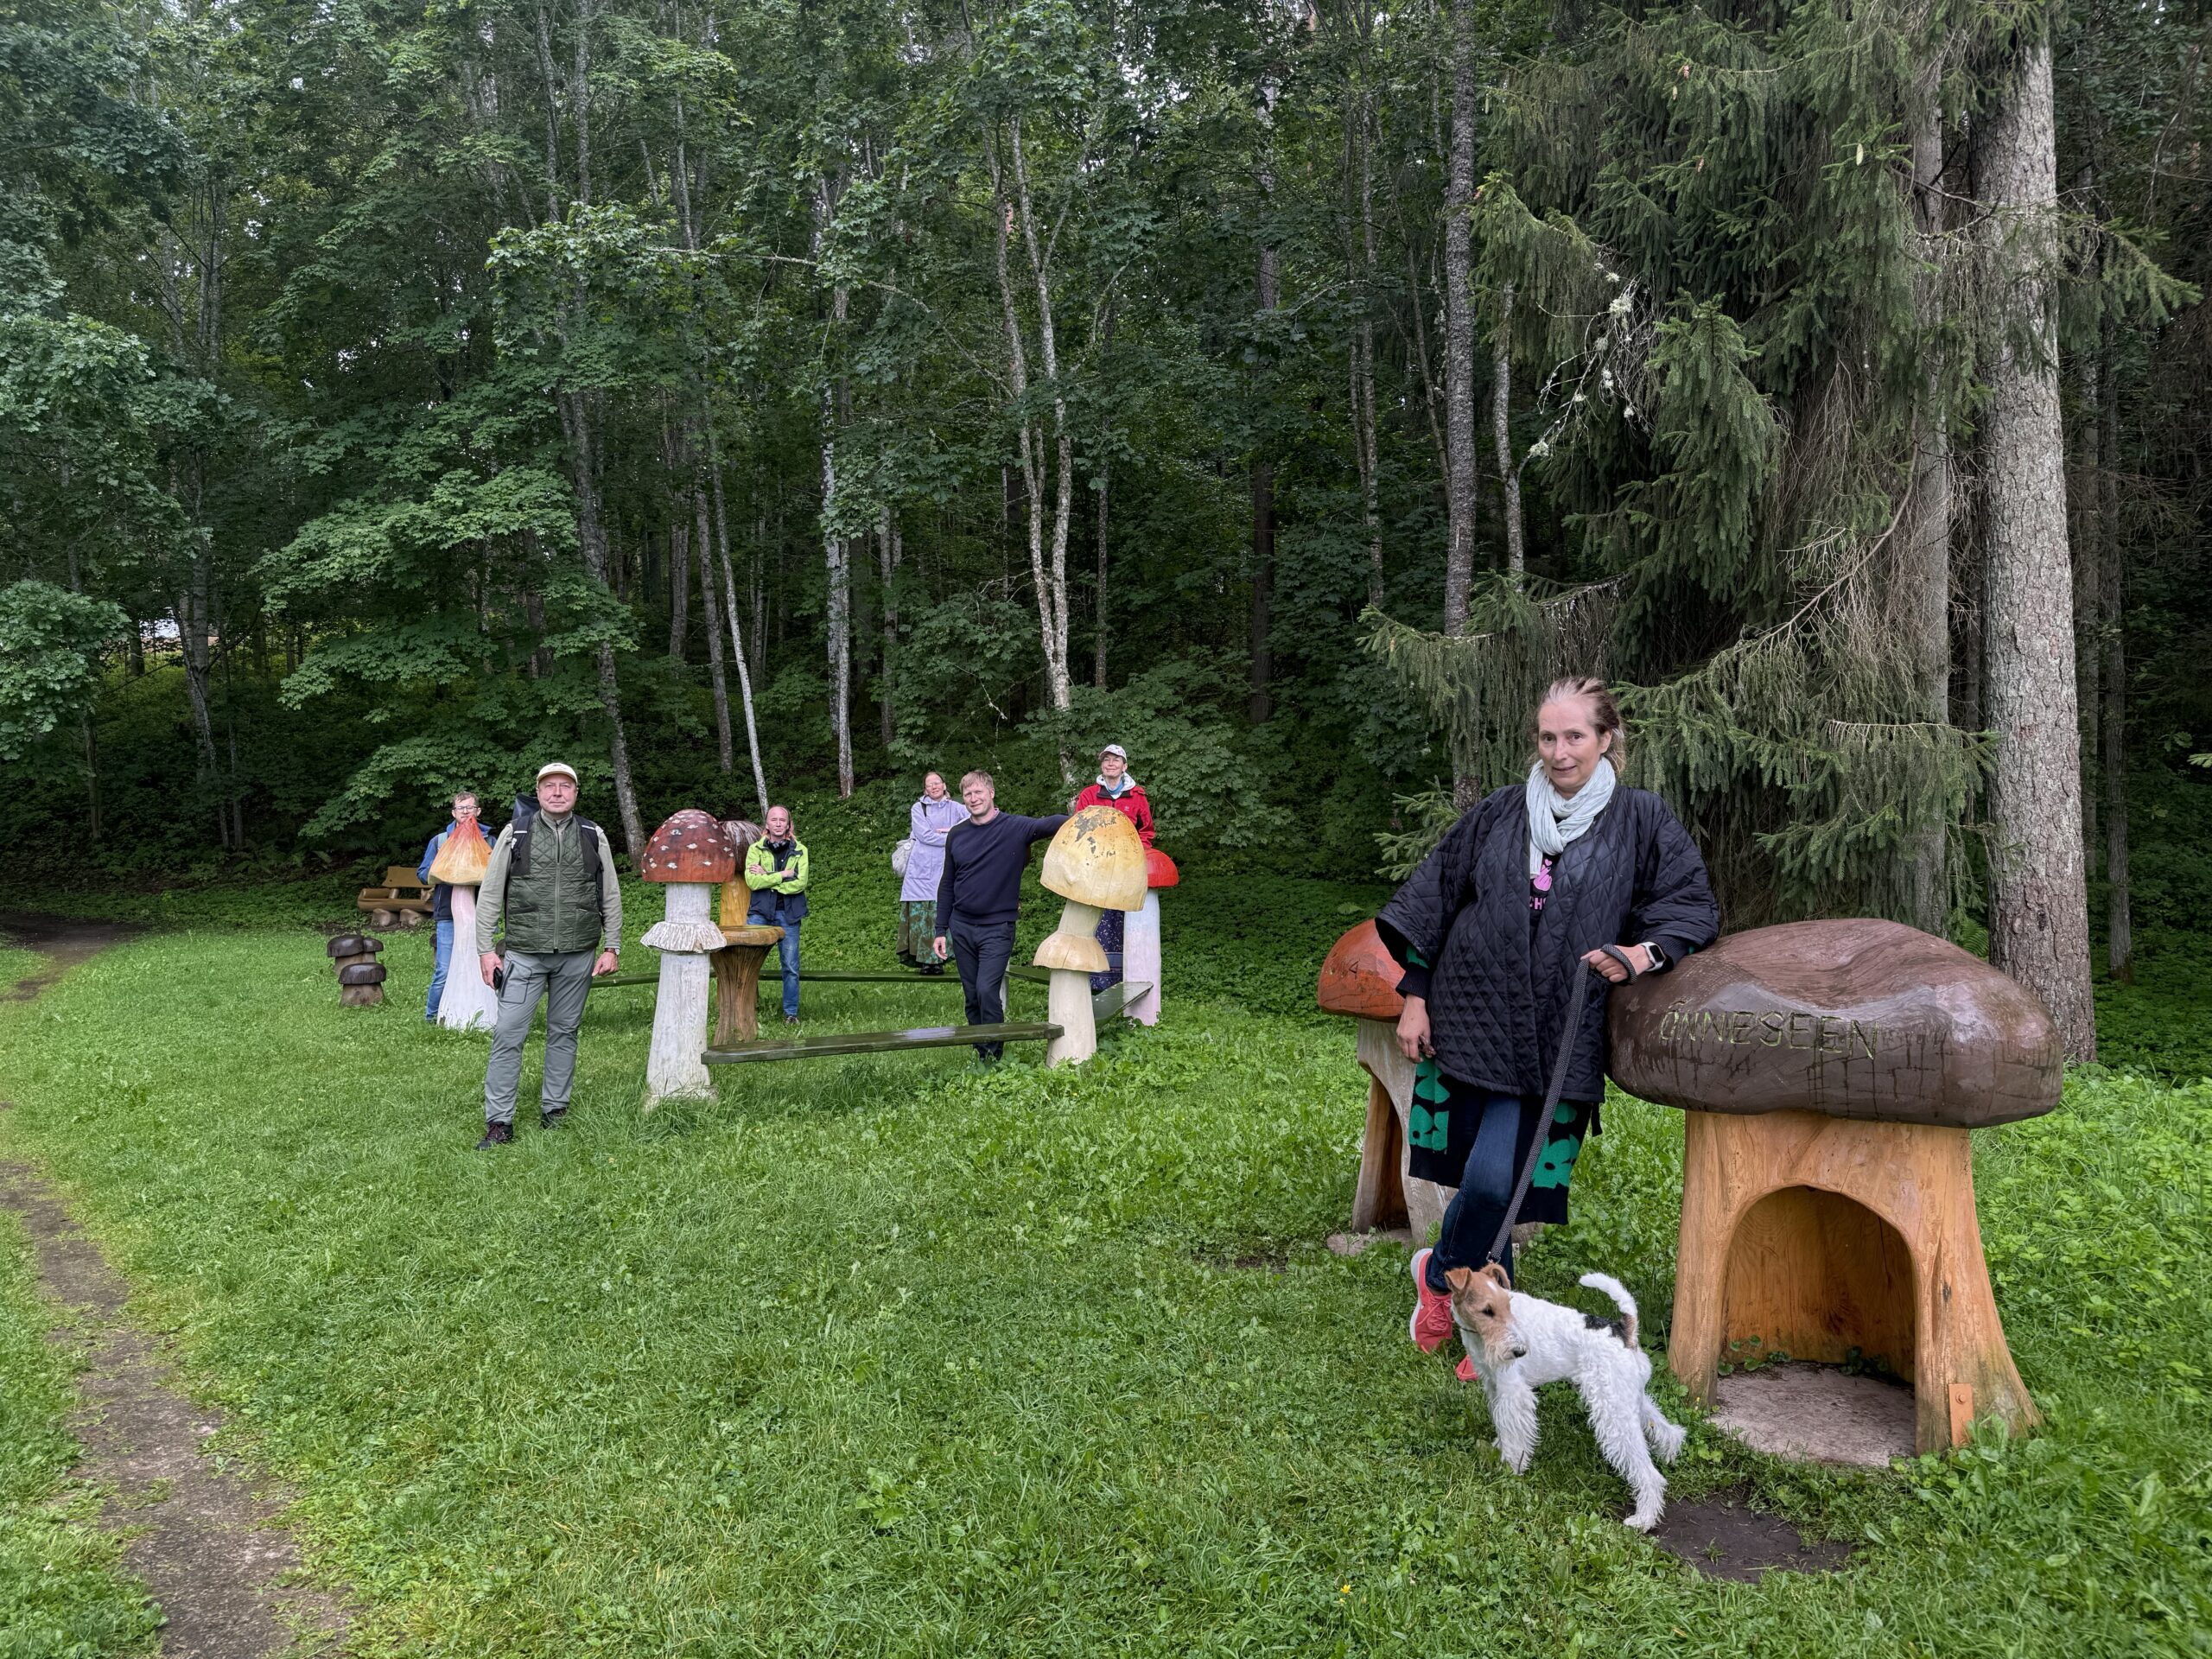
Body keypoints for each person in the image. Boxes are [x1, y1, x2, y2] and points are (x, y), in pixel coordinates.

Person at [1375, 677, 1719, 1366]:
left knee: (1502, 1182)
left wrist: (1641, 953)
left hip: (1560, 1034)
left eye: (1575, 737)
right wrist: (1416, 995)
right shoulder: (1501, 811)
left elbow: (1690, 904)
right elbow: (1435, 898)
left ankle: (1449, 1283)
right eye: (1548, 737)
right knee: (1488, 1182)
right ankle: (1474, 1308)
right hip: (1472, 1018)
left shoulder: (1641, 819)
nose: (1560, 752)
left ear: (1605, 739)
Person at [473, 762, 624, 1148]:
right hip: (524, 954)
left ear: (576, 793)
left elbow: (609, 892)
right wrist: (486, 950)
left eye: (565, 786)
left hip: (577, 953)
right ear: (538, 793)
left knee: (564, 1032)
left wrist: (613, 946)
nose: (557, 792)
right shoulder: (515, 833)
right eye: (549, 786)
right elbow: (490, 894)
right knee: (508, 1034)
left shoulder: (592, 834)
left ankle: (555, 1109)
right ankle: (499, 1121)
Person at [932, 772, 1067, 1064]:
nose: (974, 799)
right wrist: (940, 929)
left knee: (986, 990)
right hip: (961, 925)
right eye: (968, 794)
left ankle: (994, 1054)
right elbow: (947, 883)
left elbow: (1050, 823)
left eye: (979, 792)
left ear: (991, 793)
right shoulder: (957, 834)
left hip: (997, 927)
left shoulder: (1014, 827)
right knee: (971, 994)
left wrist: (1085, 817)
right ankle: (980, 1052)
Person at [1070, 743, 1154, 990]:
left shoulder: (1137, 796)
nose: (1110, 763)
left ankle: (1126, 980)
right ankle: (1093, 981)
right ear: (1101, 766)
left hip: (1125, 870)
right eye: (1106, 759)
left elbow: (1146, 831)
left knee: (1123, 921)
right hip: (1095, 868)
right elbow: (1078, 826)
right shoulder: (1089, 794)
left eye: (1116, 760)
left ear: (1124, 766)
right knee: (1094, 920)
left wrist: (1136, 854)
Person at [416, 790, 493, 1022]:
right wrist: (445, 868)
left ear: (478, 811)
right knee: (445, 969)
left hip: (482, 915)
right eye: (461, 808)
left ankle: (479, 1015)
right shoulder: (440, 841)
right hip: (447, 914)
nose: (466, 812)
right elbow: (423, 874)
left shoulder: (490, 841)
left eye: (470, 808)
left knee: (481, 965)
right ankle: (432, 1018)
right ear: (453, 813)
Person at [745, 804, 810, 1023]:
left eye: (783, 820)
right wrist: (783, 874)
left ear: (789, 824)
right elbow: (753, 882)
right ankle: (745, 1010)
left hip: (788, 914)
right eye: (774, 820)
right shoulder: (755, 849)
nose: (779, 823)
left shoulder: (800, 850)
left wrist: (768, 876)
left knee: (790, 966)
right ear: (767, 823)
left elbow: (799, 883)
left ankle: (791, 1014)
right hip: (760, 912)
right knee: (747, 963)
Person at [899, 772, 965, 974]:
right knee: (922, 915)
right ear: (925, 789)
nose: (934, 786)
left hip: (947, 866)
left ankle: (939, 960)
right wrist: (951, 835)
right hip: (921, 869)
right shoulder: (918, 808)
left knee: (943, 911)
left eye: (937, 783)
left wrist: (947, 831)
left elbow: (971, 823)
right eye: (930, 784)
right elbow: (925, 835)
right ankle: (925, 961)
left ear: (944, 785)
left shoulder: (956, 808)